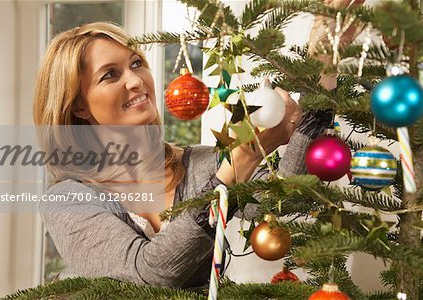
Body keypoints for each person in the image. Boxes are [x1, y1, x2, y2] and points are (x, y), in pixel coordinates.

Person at [34, 4, 358, 285]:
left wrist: (322, 69)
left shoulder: (201, 164)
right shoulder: (67, 200)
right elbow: (153, 273)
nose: (136, 81)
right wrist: (240, 162)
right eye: (110, 75)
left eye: (136, 64)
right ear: (78, 105)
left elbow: (285, 200)